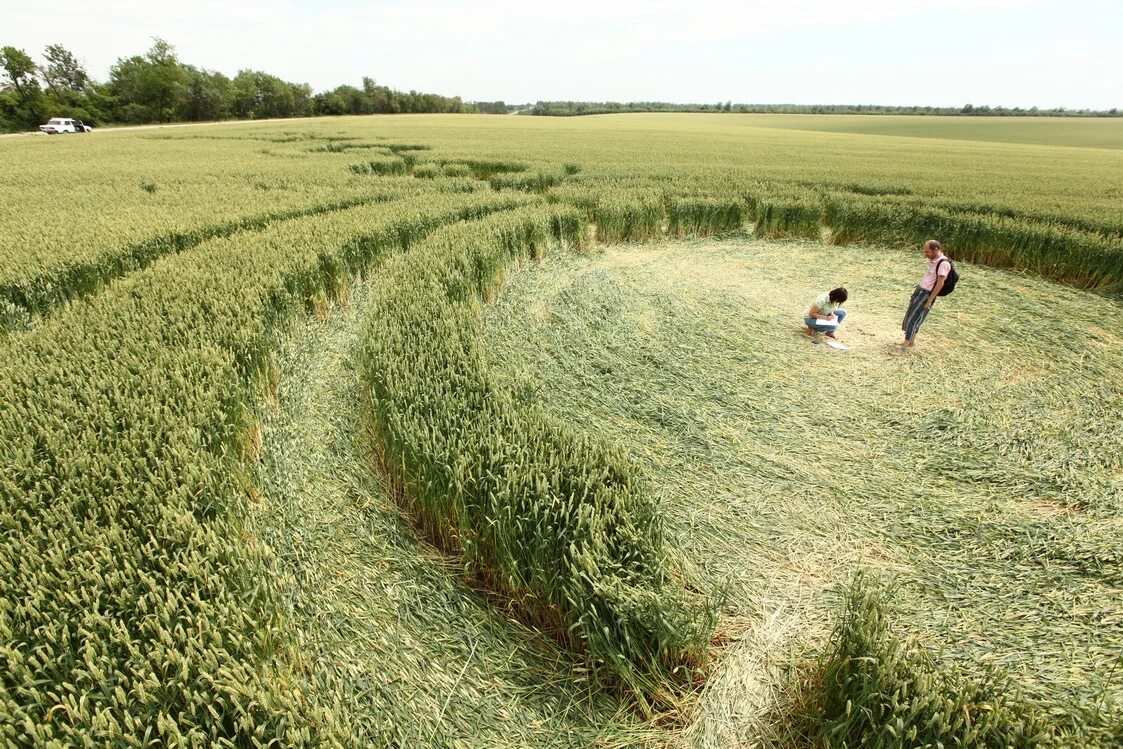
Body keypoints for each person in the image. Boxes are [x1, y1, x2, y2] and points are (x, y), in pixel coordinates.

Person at [898, 239, 950, 353]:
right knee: (910, 316)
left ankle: (903, 349)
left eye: (927, 252)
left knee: (913, 319)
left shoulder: (943, 263)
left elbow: (940, 284)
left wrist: (929, 300)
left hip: (926, 294)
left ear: (935, 250)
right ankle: (910, 341)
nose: (925, 255)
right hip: (921, 291)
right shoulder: (934, 261)